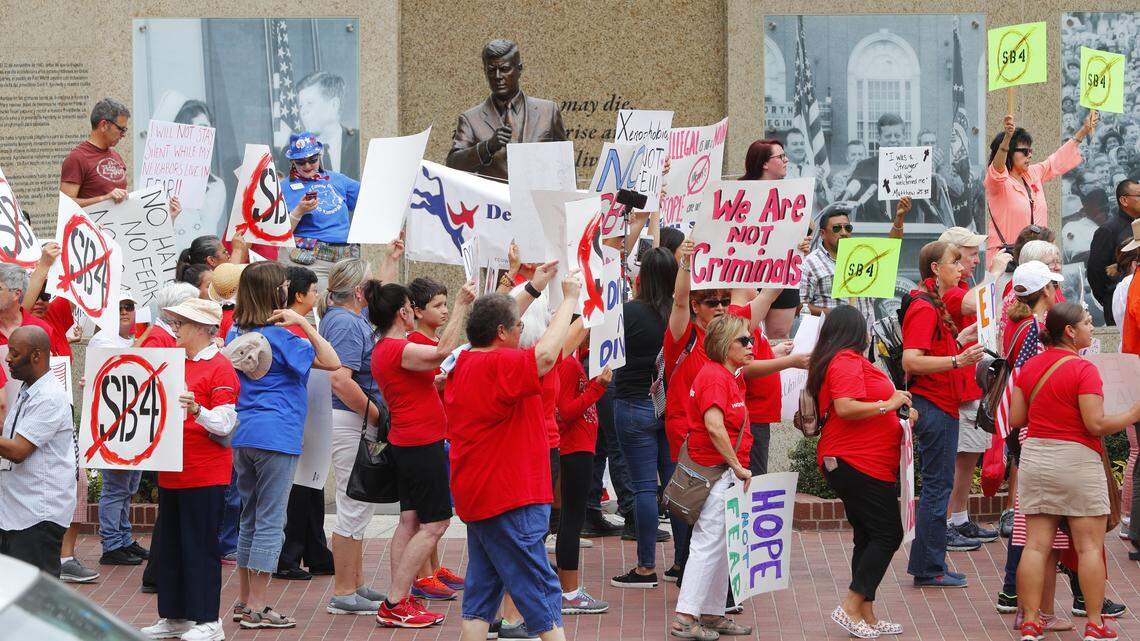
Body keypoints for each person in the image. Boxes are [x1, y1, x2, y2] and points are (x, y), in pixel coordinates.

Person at [443, 277, 580, 641]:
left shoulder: (466, 360)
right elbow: (545, 355)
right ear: (502, 332)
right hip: (510, 496)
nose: (522, 330)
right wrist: (570, 299)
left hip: (482, 495)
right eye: (517, 326)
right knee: (540, 589)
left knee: (482, 593)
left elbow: (502, 319)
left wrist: (535, 286)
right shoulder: (500, 362)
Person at [1011, 303, 1140, 641]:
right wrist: (1132, 414)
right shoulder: (1084, 369)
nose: (1092, 327)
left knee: (1036, 546)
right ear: (1070, 331)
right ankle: (1094, 623)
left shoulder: (1030, 366)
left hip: (1036, 457)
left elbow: (1016, 418)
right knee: (1089, 547)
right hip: (1078, 460)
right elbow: (1095, 424)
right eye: (1087, 322)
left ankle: (1030, 622)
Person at [227, 262, 340, 630]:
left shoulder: (235, 332)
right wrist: (303, 323)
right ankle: (258, 607)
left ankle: (246, 600)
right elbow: (332, 361)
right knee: (271, 521)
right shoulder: (284, 337)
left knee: (249, 517)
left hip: (244, 432)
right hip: (278, 434)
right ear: (277, 293)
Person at [368, 278, 476, 627]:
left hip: (410, 440)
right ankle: (395, 601)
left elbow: (420, 375)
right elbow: (443, 352)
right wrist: (461, 305)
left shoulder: (388, 348)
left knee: (410, 522)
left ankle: (399, 597)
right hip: (419, 443)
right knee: (436, 524)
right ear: (403, 313)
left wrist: (434, 382)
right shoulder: (396, 348)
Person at [139, 298, 239, 641]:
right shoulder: (174, 361)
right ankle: (176, 615)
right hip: (172, 469)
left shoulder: (220, 367)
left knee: (200, 546)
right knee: (170, 547)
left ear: (201, 329)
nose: (175, 329)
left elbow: (226, 422)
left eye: (180, 323)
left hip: (204, 471)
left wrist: (197, 410)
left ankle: (209, 619)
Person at [808, 306, 910, 639]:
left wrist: (897, 413)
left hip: (863, 461)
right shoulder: (845, 361)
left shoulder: (845, 360)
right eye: (864, 327)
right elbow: (846, 407)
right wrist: (888, 405)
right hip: (857, 461)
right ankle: (851, 606)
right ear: (854, 331)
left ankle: (866, 614)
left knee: (868, 535)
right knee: (888, 534)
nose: (868, 333)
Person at [903, 241, 984, 587]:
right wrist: (956, 359)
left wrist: (959, 341)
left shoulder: (930, 303)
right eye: (955, 262)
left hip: (940, 404)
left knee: (938, 486)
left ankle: (930, 562)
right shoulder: (923, 306)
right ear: (936, 269)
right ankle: (929, 567)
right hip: (934, 404)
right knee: (937, 487)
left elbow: (930, 351)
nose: (962, 268)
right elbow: (911, 360)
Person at [669, 314, 754, 641]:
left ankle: (712, 613)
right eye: (743, 340)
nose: (750, 345)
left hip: (721, 472)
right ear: (725, 345)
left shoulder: (724, 375)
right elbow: (715, 427)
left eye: (750, 339)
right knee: (708, 543)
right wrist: (736, 466)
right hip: (716, 473)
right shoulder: (716, 378)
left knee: (721, 544)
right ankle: (685, 617)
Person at [318, 259, 389, 615]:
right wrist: (375, 414)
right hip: (352, 421)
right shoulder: (346, 323)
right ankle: (345, 591)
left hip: (352, 420)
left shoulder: (346, 317)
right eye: (370, 283)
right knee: (353, 501)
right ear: (359, 291)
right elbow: (340, 379)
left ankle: (355, 584)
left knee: (359, 501)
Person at [937, 227, 1011, 550]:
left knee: (969, 456)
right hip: (959, 387)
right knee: (958, 458)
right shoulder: (951, 291)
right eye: (969, 255)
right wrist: (995, 273)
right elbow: (976, 304)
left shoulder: (963, 286)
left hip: (973, 384)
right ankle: (946, 523)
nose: (976, 260)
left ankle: (959, 518)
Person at [273, 267, 335, 583]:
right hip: (298, 419)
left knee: (312, 485)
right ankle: (288, 555)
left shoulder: (305, 326)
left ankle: (316, 550)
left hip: (312, 417)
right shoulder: (291, 332)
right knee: (299, 490)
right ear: (299, 295)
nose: (317, 296)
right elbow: (330, 362)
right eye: (313, 290)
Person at [407, 276, 467, 595]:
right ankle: (422, 574)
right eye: (438, 305)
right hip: (426, 435)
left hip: (441, 431)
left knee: (435, 509)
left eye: (446, 304)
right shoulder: (415, 342)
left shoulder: (433, 340)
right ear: (417, 310)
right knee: (428, 513)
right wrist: (437, 383)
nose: (444, 311)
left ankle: (432, 567)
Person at [0, 326, 74, 578]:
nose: (7, 359)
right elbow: (11, 435)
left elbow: (19, 450)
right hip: (18, 512)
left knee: (36, 597)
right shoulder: (28, 390)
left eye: (14, 353)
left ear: (36, 356)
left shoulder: (49, 396)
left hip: (37, 517)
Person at [985, 110, 1098, 267]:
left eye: (1030, 151)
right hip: (1007, 261)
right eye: (1025, 151)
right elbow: (997, 168)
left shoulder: (1032, 173)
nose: (1029, 155)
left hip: (1037, 258)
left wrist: (1084, 130)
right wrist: (1007, 139)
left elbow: (1056, 160)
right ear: (1009, 152)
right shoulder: (997, 182)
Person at [446, 38, 568, 180]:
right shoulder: (470, 119)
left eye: (504, 69)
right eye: (491, 70)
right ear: (485, 72)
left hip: (538, 193)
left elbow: (565, 164)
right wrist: (487, 147)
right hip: (493, 195)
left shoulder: (548, 111)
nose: (498, 77)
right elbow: (452, 164)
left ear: (519, 69)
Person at [553, 326, 611, 615]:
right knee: (572, 520)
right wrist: (597, 388)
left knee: (570, 519)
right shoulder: (564, 363)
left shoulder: (570, 358)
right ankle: (569, 591)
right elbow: (565, 412)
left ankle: (567, 588)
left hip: (579, 446)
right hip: (574, 448)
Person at [799, 198, 909, 329]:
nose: (844, 232)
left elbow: (890, 249)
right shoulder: (811, 263)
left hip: (866, 335)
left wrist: (899, 218)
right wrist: (836, 314)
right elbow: (800, 306)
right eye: (836, 228)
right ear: (822, 233)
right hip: (833, 335)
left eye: (848, 228)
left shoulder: (863, 255)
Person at [279, 132, 362, 287]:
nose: (307, 166)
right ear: (292, 162)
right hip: (312, 262)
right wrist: (298, 212)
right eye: (301, 162)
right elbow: (279, 234)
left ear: (320, 156)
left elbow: (368, 199)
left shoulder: (337, 179)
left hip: (346, 260)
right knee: (317, 302)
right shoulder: (283, 187)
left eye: (312, 160)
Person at [843, 113, 952, 226]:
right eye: (888, 136)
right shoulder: (864, 167)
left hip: (906, 233)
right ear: (879, 139)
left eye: (897, 136)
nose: (893, 140)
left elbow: (932, 209)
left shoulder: (915, 166)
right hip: (873, 232)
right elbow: (849, 202)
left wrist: (929, 171)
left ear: (903, 137)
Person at [740, 138, 799, 339]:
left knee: (780, 335)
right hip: (747, 272)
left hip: (781, 270)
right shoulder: (738, 193)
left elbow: (804, 229)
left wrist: (802, 242)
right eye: (780, 156)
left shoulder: (792, 194)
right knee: (744, 333)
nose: (786, 160)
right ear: (765, 163)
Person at [60, 98, 130, 208]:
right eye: (121, 129)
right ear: (104, 125)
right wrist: (104, 199)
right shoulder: (77, 158)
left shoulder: (116, 156)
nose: (123, 135)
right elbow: (66, 205)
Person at [1088, 180, 1140, 325]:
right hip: (1120, 305)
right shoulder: (1108, 230)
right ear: (1124, 200)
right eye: (1139, 195)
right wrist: (1110, 298)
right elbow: (1095, 272)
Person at [293, 72, 359, 178]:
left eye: (309, 103)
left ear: (334, 105)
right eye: (301, 106)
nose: (303, 111)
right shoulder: (293, 152)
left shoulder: (360, 142)